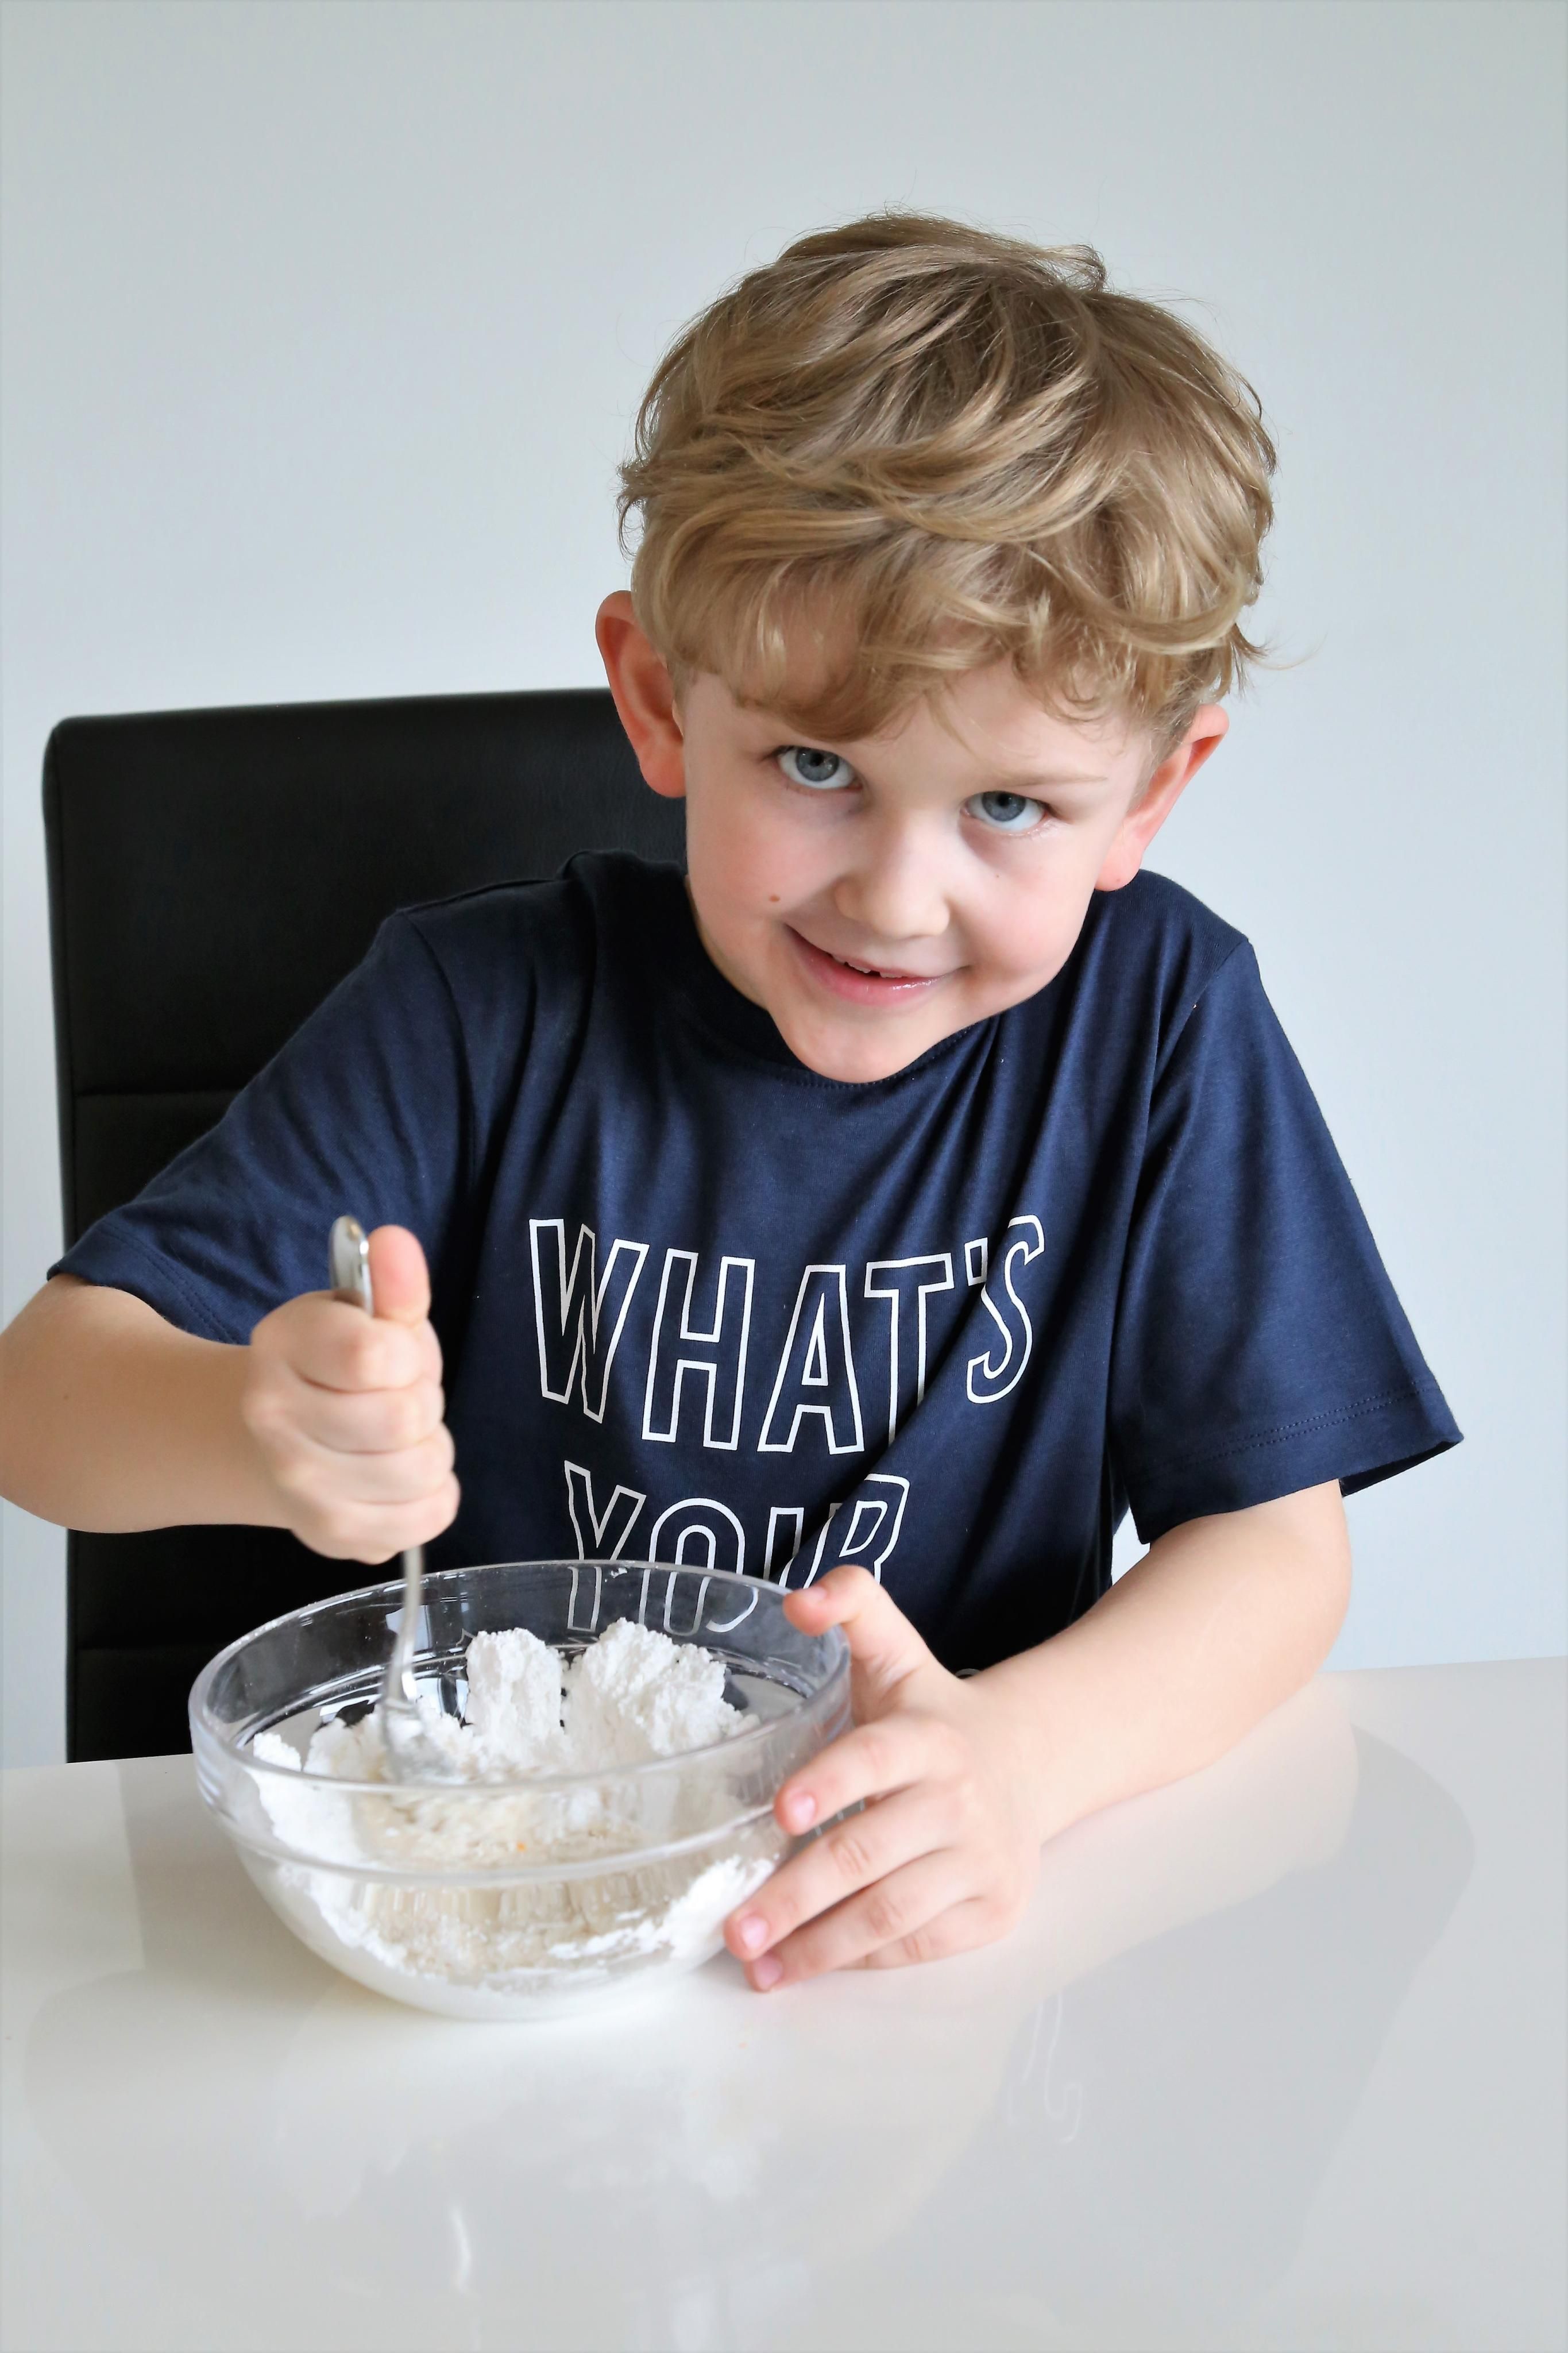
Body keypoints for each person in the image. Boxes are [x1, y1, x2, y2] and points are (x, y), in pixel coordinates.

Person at [0, 213, 1459, 1992]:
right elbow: (40, 1403)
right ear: (656, 699)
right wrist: (256, 1427)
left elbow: (1277, 1552)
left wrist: (1018, 1762)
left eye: (1009, 806)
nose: (896, 899)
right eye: (816, 764)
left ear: (1151, 795)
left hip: (929, 1945)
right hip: (515, 1930)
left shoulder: (1157, 1019)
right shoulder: (477, 1011)